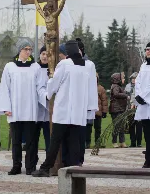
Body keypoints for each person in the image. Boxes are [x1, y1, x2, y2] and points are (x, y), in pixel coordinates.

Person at [32, 40, 98, 177]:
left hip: (63, 109)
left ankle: (45, 168)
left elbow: (54, 83)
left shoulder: (65, 64)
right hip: (79, 111)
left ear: (67, 52)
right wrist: (90, 107)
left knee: (55, 141)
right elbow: (92, 88)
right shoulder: (88, 65)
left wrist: (47, 93)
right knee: (74, 141)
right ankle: (73, 169)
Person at [0, 41, 45, 176]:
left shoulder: (35, 67)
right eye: (25, 49)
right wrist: (6, 107)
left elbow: (39, 87)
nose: (28, 52)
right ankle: (16, 166)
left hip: (30, 109)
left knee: (31, 141)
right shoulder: (10, 66)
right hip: (15, 109)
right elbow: (5, 87)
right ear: (19, 50)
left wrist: (45, 98)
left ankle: (30, 167)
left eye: (30, 49)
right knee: (16, 141)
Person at [31, 46, 51, 168]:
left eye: (47, 54)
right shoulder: (34, 68)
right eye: (43, 53)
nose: (45, 56)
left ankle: (49, 162)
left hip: (49, 110)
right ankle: (32, 162)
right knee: (33, 138)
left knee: (49, 138)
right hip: (36, 109)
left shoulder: (54, 69)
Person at [86, 73, 108, 149]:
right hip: (89, 111)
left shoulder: (101, 89)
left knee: (97, 128)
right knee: (88, 128)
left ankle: (97, 142)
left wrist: (104, 111)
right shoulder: (86, 88)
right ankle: (87, 143)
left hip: (98, 112)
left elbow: (104, 100)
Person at [109, 72, 129, 148]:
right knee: (117, 126)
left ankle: (122, 141)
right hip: (116, 109)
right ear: (118, 79)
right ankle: (114, 142)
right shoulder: (115, 86)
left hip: (120, 108)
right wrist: (125, 95)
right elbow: (116, 94)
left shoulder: (118, 86)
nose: (124, 79)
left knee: (121, 126)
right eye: (122, 78)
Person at [128, 73, 143, 148]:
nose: (133, 80)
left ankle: (139, 142)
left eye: (135, 78)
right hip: (130, 109)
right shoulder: (128, 87)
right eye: (132, 79)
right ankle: (132, 142)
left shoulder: (140, 87)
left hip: (138, 108)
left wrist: (134, 104)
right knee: (131, 126)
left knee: (139, 126)